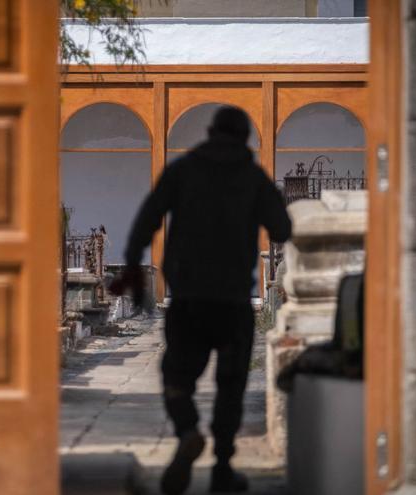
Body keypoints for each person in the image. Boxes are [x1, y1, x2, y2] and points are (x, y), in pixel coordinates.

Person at [110, 106, 292, 494]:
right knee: (231, 385)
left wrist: (130, 264)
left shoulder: (182, 171)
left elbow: (147, 219)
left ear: (210, 132)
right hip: (232, 301)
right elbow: (282, 227)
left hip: (189, 298)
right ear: (245, 138)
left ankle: (188, 430)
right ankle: (223, 469)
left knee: (176, 375)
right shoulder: (253, 179)